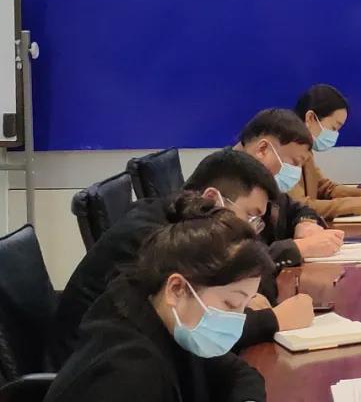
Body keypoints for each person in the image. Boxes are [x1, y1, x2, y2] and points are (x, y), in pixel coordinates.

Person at [49, 151, 315, 367]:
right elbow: (185, 326)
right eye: (249, 215)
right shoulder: (156, 240)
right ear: (212, 198)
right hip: (96, 367)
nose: (251, 230)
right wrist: (271, 320)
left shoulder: (179, 224)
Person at [44, 199, 272, 402]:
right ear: (177, 288)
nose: (238, 319)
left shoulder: (172, 319)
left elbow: (236, 372)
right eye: (231, 304)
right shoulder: (128, 374)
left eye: (245, 305)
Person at [233, 108, 345, 261]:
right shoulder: (220, 182)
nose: (295, 172)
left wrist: (305, 223)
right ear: (263, 149)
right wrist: (300, 248)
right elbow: (234, 258)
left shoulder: (263, 182)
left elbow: (298, 209)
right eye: (293, 163)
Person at [290, 84, 361, 219]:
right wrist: (360, 204)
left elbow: (325, 188)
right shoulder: (285, 153)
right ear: (310, 118)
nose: (335, 135)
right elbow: (300, 207)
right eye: (333, 128)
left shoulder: (305, 149)